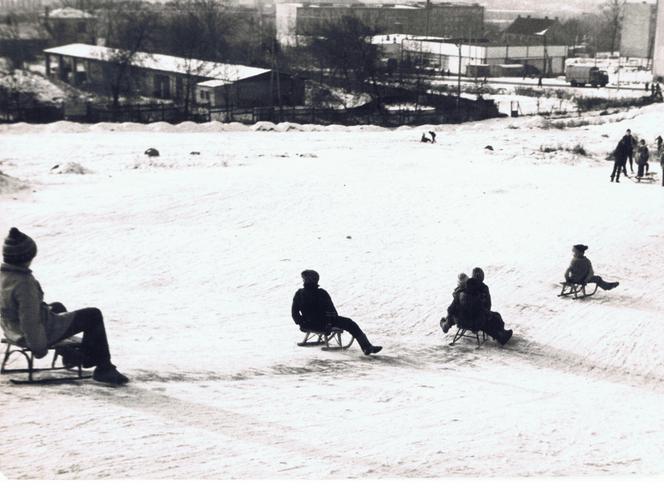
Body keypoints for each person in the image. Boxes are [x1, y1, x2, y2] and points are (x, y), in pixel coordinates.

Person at [0, 228, 129, 385]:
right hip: (34, 334)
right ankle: (103, 368)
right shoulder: (24, 283)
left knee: (57, 307)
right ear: (26, 257)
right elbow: (30, 319)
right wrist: (39, 348)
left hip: (13, 331)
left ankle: (70, 356)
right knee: (93, 315)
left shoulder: (3, 276)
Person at [291, 270, 382, 356]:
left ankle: (367, 347)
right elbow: (331, 311)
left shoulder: (299, 293)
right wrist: (329, 324)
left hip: (308, 324)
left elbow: (294, 312)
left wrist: (301, 322)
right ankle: (367, 347)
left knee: (346, 322)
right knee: (350, 323)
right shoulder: (321, 293)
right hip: (324, 323)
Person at [454, 278, 512, 346]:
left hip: (467, 318)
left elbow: (452, 309)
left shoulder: (460, 294)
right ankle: (500, 336)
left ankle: (501, 333)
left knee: (493, 316)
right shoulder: (471, 297)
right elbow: (479, 309)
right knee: (488, 321)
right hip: (471, 321)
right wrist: (488, 314)